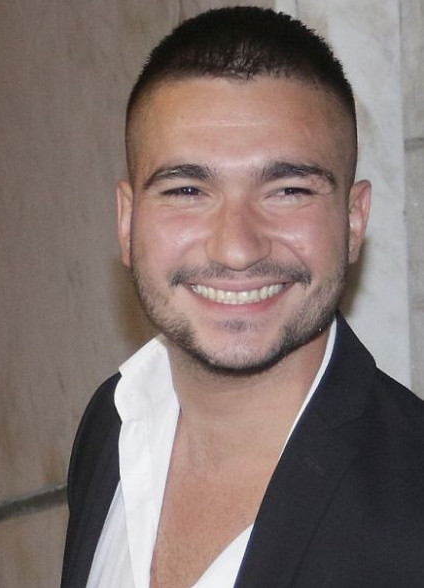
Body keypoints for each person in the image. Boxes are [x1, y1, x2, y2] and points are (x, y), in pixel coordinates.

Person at [61, 7, 424, 588]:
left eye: (288, 190)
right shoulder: (113, 426)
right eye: (187, 190)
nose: (236, 248)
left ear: (354, 220)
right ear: (127, 221)